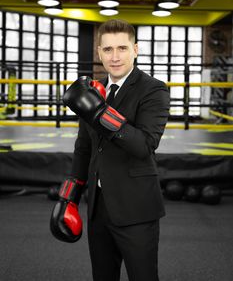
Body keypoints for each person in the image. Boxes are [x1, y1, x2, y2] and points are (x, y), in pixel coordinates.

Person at [50, 19, 170, 281]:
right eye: (107, 50)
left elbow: (144, 145)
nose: (115, 57)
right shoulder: (95, 90)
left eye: (122, 48)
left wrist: (98, 112)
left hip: (136, 208)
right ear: (99, 52)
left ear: (135, 49)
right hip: (98, 208)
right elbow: (83, 149)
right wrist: (67, 197)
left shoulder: (154, 89)